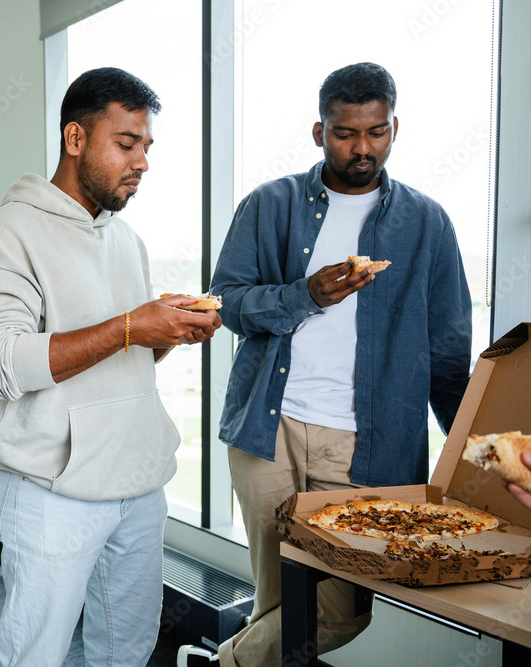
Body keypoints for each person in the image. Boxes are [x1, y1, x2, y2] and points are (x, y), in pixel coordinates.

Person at [208, 62, 472, 666]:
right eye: (344, 133)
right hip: (266, 429)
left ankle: (227, 663)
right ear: (318, 132)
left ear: (394, 128)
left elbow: (449, 352)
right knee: (277, 603)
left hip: (367, 446)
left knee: (344, 607)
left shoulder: (427, 223)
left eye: (375, 132)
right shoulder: (270, 204)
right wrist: (305, 295)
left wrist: (473, 454)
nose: (361, 148)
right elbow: (226, 302)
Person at [0, 67, 222, 666]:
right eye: (126, 144)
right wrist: (131, 325)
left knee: (126, 653)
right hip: (54, 494)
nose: (142, 162)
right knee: (35, 656)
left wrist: (169, 331)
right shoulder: (6, 235)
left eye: (147, 147)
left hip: (138, 486)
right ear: (75, 139)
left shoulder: (126, 239)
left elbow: (126, 356)